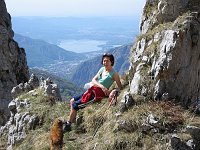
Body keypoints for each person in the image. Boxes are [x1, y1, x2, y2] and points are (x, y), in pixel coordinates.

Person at [63, 53, 122, 132]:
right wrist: (102, 86)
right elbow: (93, 80)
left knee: (74, 105)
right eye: (104, 61)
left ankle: (68, 124)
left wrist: (114, 90)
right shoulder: (102, 69)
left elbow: (120, 87)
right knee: (72, 100)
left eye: (107, 61)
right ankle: (73, 120)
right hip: (92, 90)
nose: (105, 63)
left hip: (96, 95)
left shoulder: (114, 74)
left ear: (112, 62)